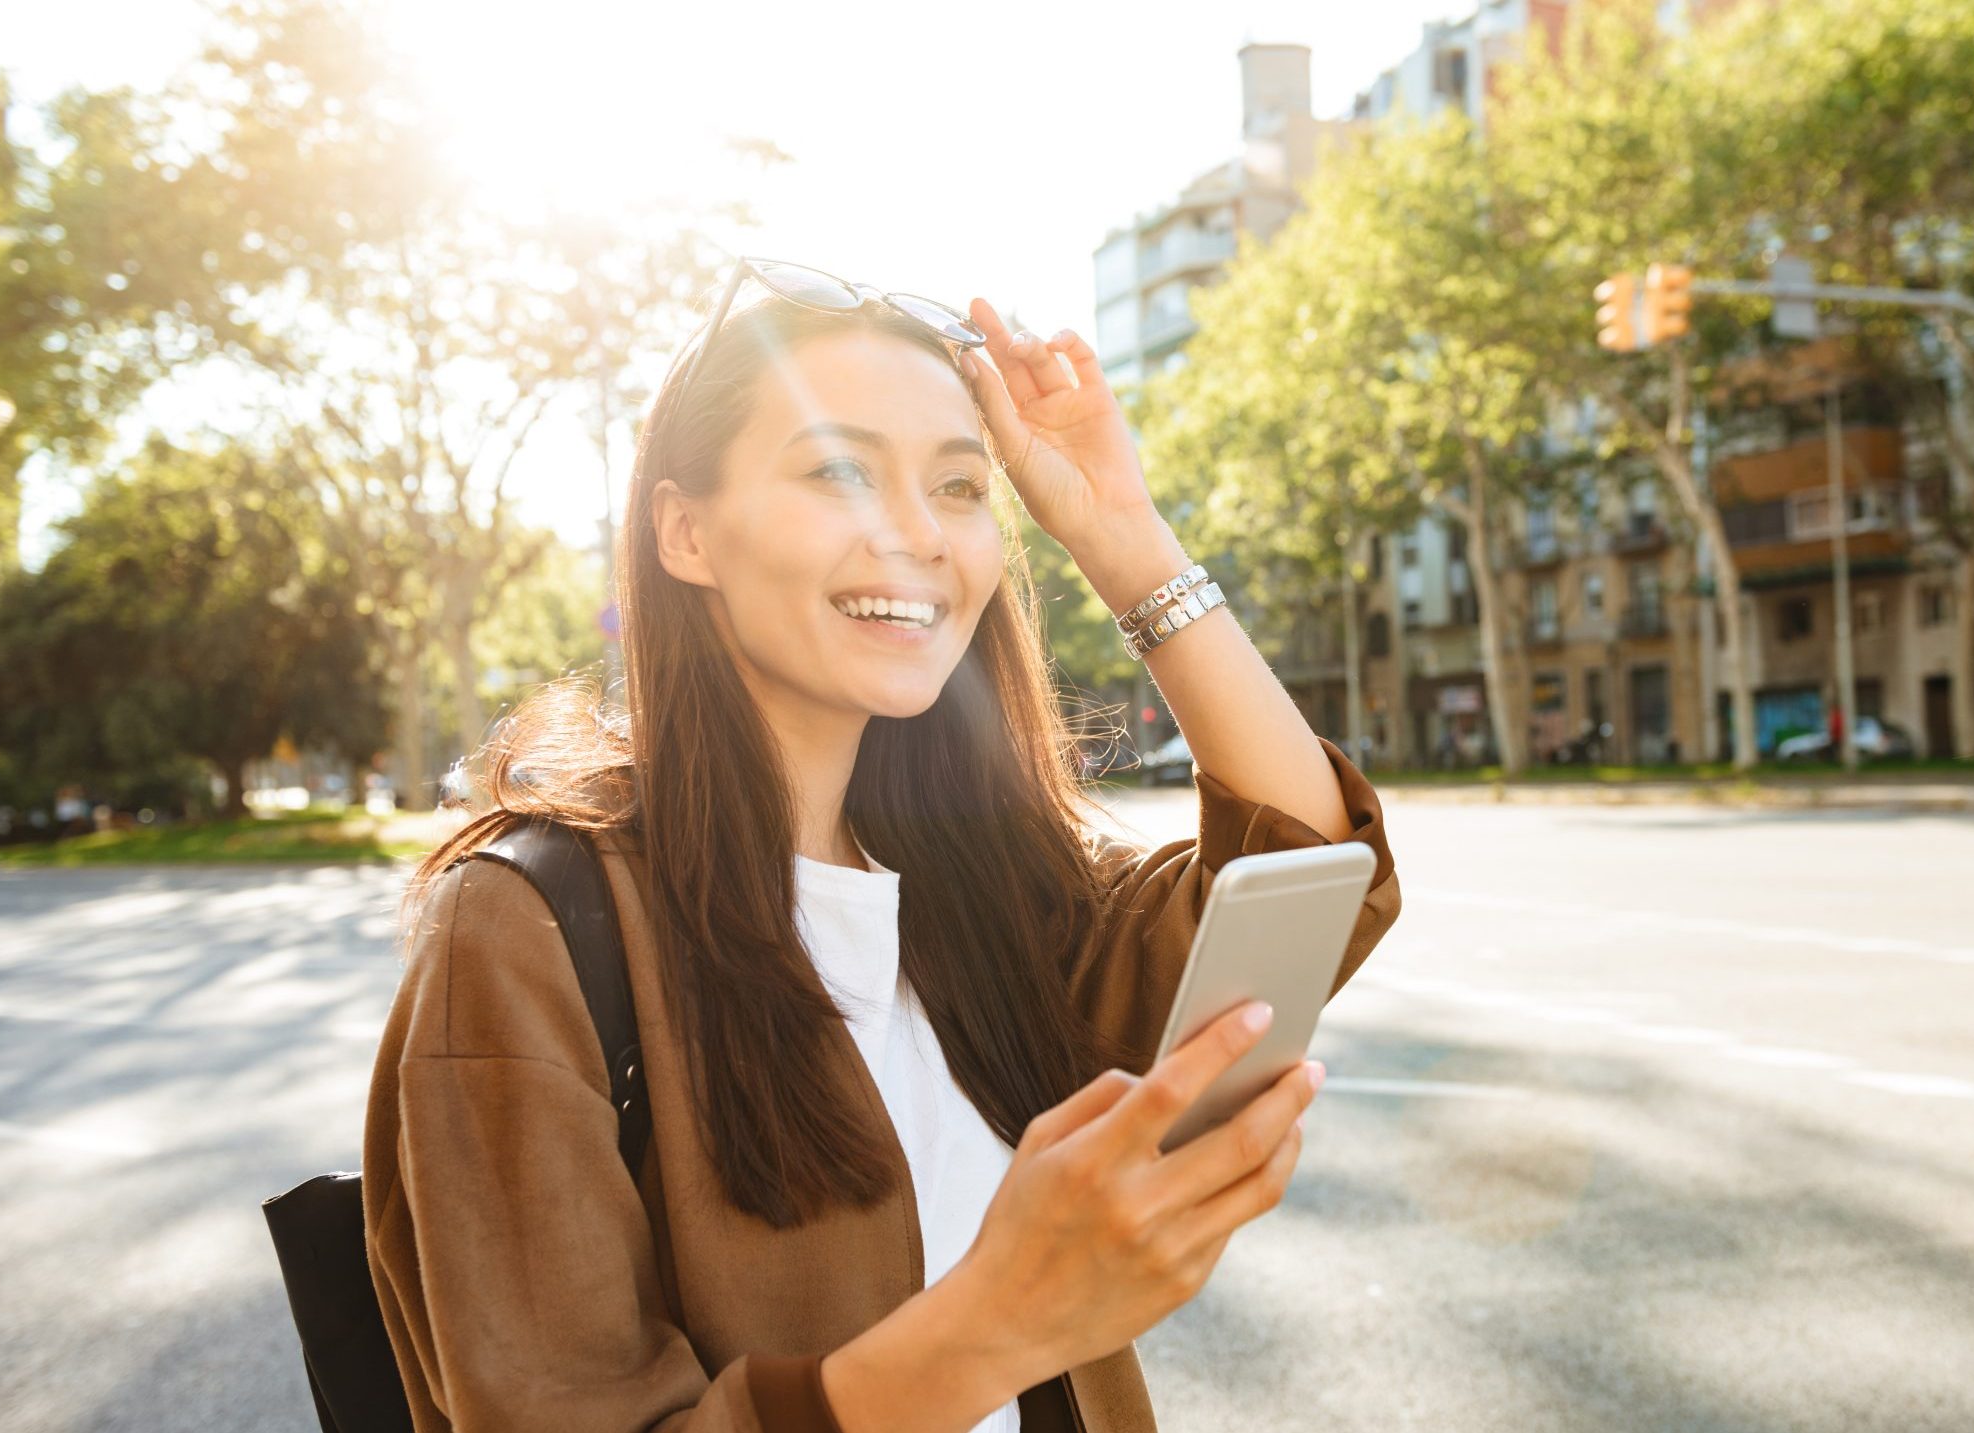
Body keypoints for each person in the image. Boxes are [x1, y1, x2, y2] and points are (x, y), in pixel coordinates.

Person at [361, 257, 1402, 1433]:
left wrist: (1123, 534)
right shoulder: (527, 925)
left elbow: (1303, 864)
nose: (915, 534)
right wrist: (997, 1323)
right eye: (840, 469)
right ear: (685, 531)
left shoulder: (987, 888)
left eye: (961, 487)